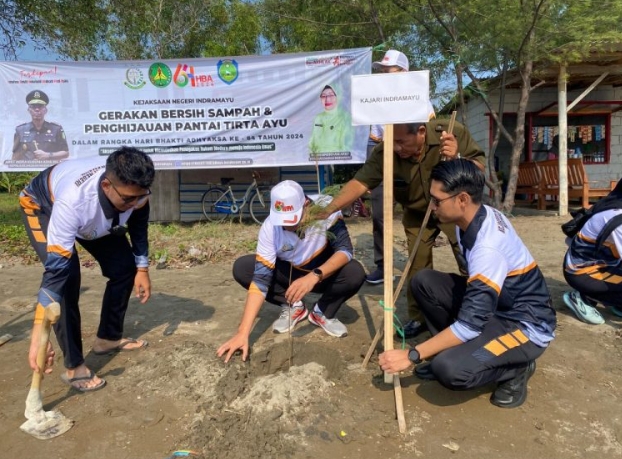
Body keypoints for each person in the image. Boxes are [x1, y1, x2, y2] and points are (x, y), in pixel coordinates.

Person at [379, 159, 556, 408]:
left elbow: (470, 325)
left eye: (437, 200)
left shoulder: (488, 246)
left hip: (524, 323)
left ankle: (516, 368)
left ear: (462, 199)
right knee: (424, 282)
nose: (431, 206)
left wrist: (412, 355)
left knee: (450, 369)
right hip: (496, 306)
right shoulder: (472, 219)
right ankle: (453, 350)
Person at [321, 116, 485, 339]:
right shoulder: (385, 151)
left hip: (454, 211)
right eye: (392, 142)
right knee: (417, 267)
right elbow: (360, 183)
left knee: (469, 261)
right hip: (418, 214)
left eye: (401, 142)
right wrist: (328, 209)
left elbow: (479, 169)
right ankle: (420, 318)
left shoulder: (450, 132)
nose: (396, 148)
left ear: (420, 131)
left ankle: (480, 315)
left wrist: (457, 157)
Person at [20, 147, 155, 392]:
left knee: (125, 267)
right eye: (128, 199)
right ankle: (74, 365)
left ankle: (108, 339)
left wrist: (142, 268)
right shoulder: (74, 203)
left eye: (140, 197)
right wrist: (39, 333)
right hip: (42, 205)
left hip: (93, 214)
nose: (134, 204)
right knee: (68, 279)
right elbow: (55, 275)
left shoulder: (135, 193)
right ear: (106, 186)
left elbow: (138, 225)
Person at [217, 180, 365, 363]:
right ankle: (294, 306)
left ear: (305, 204)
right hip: (290, 273)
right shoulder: (269, 228)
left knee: (355, 273)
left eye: (293, 221)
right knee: (243, 268)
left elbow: (345, 250)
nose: (287, 227)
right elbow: (261, 280)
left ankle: (322, 312)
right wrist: (242, 333)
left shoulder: (327, 209)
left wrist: (315, 275)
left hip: (323, 273)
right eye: (283, 222)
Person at [365, 49, 436, 284]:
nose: (385, 75)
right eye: (382, 71)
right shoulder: (373, 95)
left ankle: (418, 267)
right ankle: (382, 266)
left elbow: (430, 121)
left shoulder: (417, 95)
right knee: (379, 213)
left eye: (390, 71)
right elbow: (369, 129)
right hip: (380, 150)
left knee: (416, 210)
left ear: (404, 73)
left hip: (408, 156)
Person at [562, 178, 622, 324]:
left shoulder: (613, 203)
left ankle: (616, 301)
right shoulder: (617, 217)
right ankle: (584, 298)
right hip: (582, 272)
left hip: (603, 263)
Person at [12, 89, 69, 161]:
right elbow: (16, 155)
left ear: (45, 110)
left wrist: (48, 155)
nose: (37, 109)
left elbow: (66, 153)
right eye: (33, 106)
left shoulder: (56, 129)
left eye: (40, 106)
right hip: (28, 169)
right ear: (28, 110)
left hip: (50, 168)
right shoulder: (20, 130)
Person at [308, 84, 353, 153]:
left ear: (338, 96)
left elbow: (347, 145)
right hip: (318, 159)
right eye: (323, 96)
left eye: (331, 95)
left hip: (338, 160)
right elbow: (312, 142)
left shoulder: (345, 117)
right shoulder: (318, 118)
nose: (327, 99)